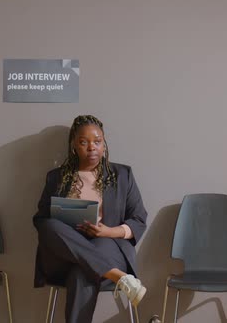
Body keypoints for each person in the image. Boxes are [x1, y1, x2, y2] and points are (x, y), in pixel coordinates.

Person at [33, 115, 148, 323]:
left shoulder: (122, 175)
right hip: (65, 254)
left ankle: (111, 270)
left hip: (108, 246)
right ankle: (119, 277)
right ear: (74, 145)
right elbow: (40, 221)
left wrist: (108, 232)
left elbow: (139, 219)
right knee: (49, 224)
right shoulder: (56, 177)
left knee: (82, 272)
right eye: (84, 142)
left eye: (97, 141)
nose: (92, 147)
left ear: (104, 144)